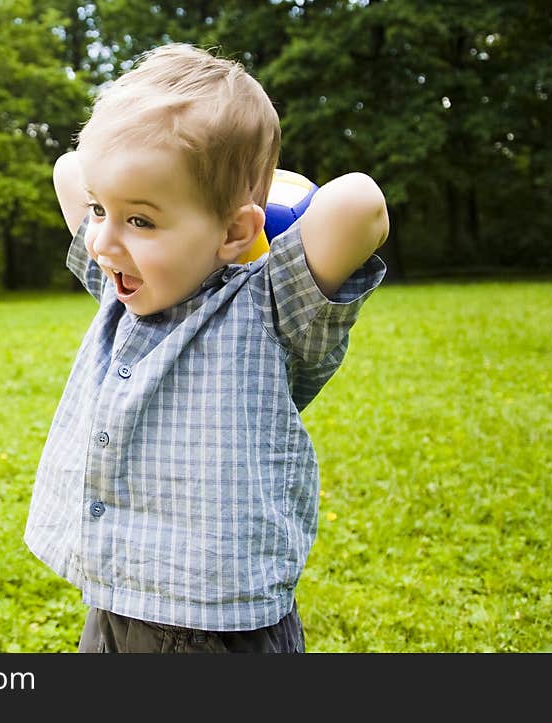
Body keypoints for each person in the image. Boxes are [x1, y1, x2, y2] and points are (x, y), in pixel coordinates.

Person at [24, 43, 388, 653]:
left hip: (217, 623)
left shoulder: (271, 306)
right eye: (98, 212)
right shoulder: (126, 287)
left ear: (233, 231)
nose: (102, 241)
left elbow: (360, 204)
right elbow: (69, 170)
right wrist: (123, 203)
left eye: (140, 220)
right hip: (117, 596)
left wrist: (264, 217)